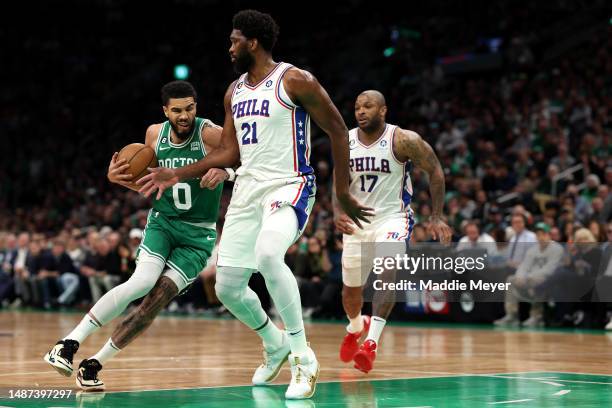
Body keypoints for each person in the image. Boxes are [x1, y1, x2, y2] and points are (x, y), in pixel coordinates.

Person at [138, 10, 371, 400]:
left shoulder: (295, 79)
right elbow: (229, 152)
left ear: (253, 42)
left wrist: (341, 192)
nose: (229, 48)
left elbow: (337, 130)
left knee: (267, 255)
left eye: (234, 41)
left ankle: (302, 356)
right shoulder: (234, 91)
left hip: (289, 184)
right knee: (227, 287)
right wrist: (177, 173)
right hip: (247, 190)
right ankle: (275, 341)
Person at [44, 80, 228, 391]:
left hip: (197, 235)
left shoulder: (209, 133)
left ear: (196, 106)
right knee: (141, 283)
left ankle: (94, 364)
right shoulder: (154, 135)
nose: (184, 115)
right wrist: (119, 180)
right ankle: (67, 344)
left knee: (156, 300)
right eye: (177, 110)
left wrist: (227, 171)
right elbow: (150, 186)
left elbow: (245, 155)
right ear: (166, 111)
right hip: (163, 222)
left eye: (190, 108)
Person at [334, 90, 451, 373]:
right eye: (357, 107)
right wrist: (338, 212)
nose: (361, 111)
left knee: (387, 274)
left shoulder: (404, 140)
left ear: (383, 110)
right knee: (350, 292)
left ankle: (370, 344)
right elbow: (337, 181)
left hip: (392, 218)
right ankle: (354, 326)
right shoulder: (345, 141)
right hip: (357, 221)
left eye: (368, 106)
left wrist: (436, 216)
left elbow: (435, 171)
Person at [494, 222, 564, 328]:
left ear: (548, 235)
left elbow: (550, 269)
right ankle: (512, 315)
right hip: (528, 279)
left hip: (548, 279)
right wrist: (520, 276)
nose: (540, 237)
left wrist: (528, 277)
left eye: (543, 234)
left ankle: (536, 316)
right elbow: (524, 266)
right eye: (538, 234)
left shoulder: (557, 249)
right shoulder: (533, 250)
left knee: (539, 280)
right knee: (511, 280)